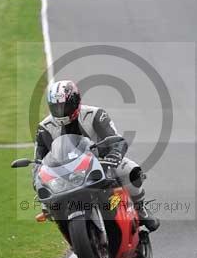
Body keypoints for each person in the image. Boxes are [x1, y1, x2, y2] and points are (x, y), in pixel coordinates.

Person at [34, 80, 159, 231]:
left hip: (102, 162)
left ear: (76, 102)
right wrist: (37, 179)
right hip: (66, 172)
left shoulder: (95, 114)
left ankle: (140, 209)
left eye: (65, 106)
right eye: (56, 107)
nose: (61, 110)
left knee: (132, 171)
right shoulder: (44, 127)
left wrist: (115, 155)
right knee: (49, 204)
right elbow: (39, 160)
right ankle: (74, 234)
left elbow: (117, 140)